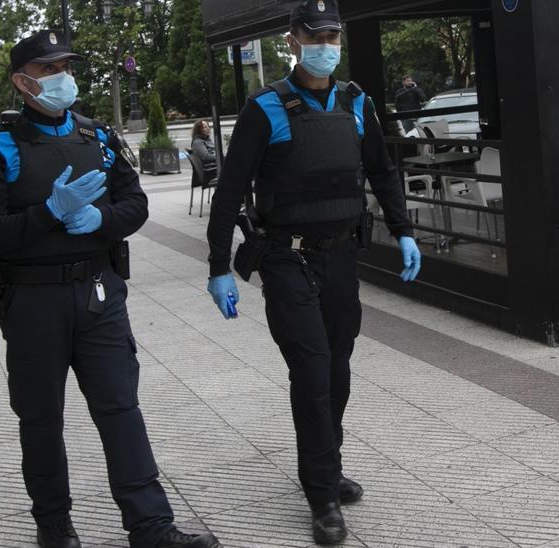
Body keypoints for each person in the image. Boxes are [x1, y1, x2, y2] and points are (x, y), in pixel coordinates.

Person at [0, 29, 221, 548]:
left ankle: (151, 527)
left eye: (66, 66)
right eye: (48, 70)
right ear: (21, 81)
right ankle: (54, 525)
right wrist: (49, 212)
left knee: (120, 408)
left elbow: (136, 204)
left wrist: (100, 220)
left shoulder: (96, 137)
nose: (62, 78)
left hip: (98, 292)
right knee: (41, 420)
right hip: (32, 300)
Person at [203, 0, 421, 544]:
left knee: (339, 364)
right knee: (312, 368)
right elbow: (230, 191)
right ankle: (321, 493)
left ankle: (329, 460)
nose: (327, 43)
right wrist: (218, 267)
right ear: (294, 38)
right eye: (316, 34)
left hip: (341, 254)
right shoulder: (266, 107)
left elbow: (380, 169)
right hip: (286, 258)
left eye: (334, 35)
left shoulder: (356, 103)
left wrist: (405, 229)